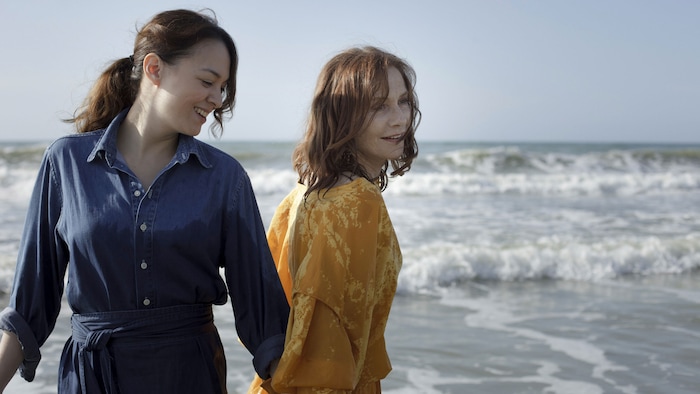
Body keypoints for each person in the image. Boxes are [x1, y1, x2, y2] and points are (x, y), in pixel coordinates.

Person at [0, 9, 289, 393]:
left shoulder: (225, 179)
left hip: (189, 378)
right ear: (154, 68)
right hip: (92, 380)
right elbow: (28, 309)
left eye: (223, 88)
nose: (217, 99)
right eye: (208, 81)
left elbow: (265, 318)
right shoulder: (66, 163)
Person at [248, 46, 420, 393]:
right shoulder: (358, 202)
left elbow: (272, 309)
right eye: (378, 106)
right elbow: (329, 340)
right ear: (342, 116)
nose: (399, 118)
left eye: (403, 101)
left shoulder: (301, 193)